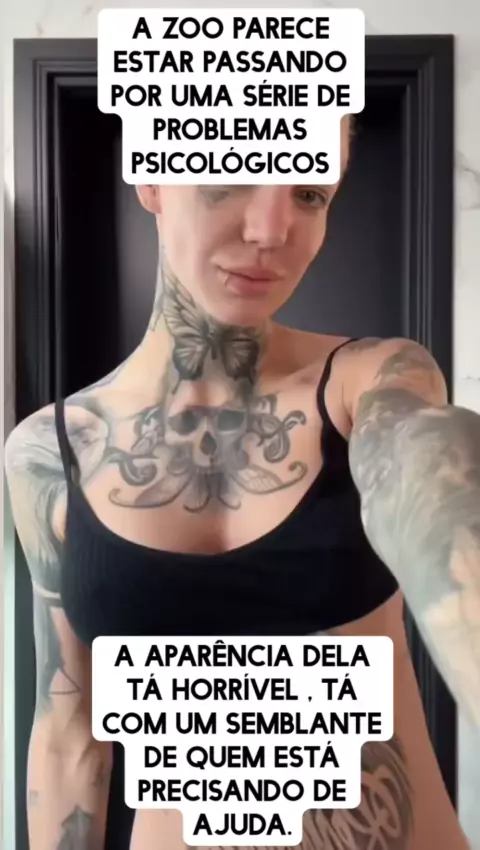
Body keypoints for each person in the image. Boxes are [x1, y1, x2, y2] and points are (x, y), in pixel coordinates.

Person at [4, 114, 475, 850]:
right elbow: (69, 734)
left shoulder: (371, 379)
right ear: (151, 176)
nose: (271, 229)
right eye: (231, 174)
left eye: (310, 193)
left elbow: (428, 473)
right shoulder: (49, 451)